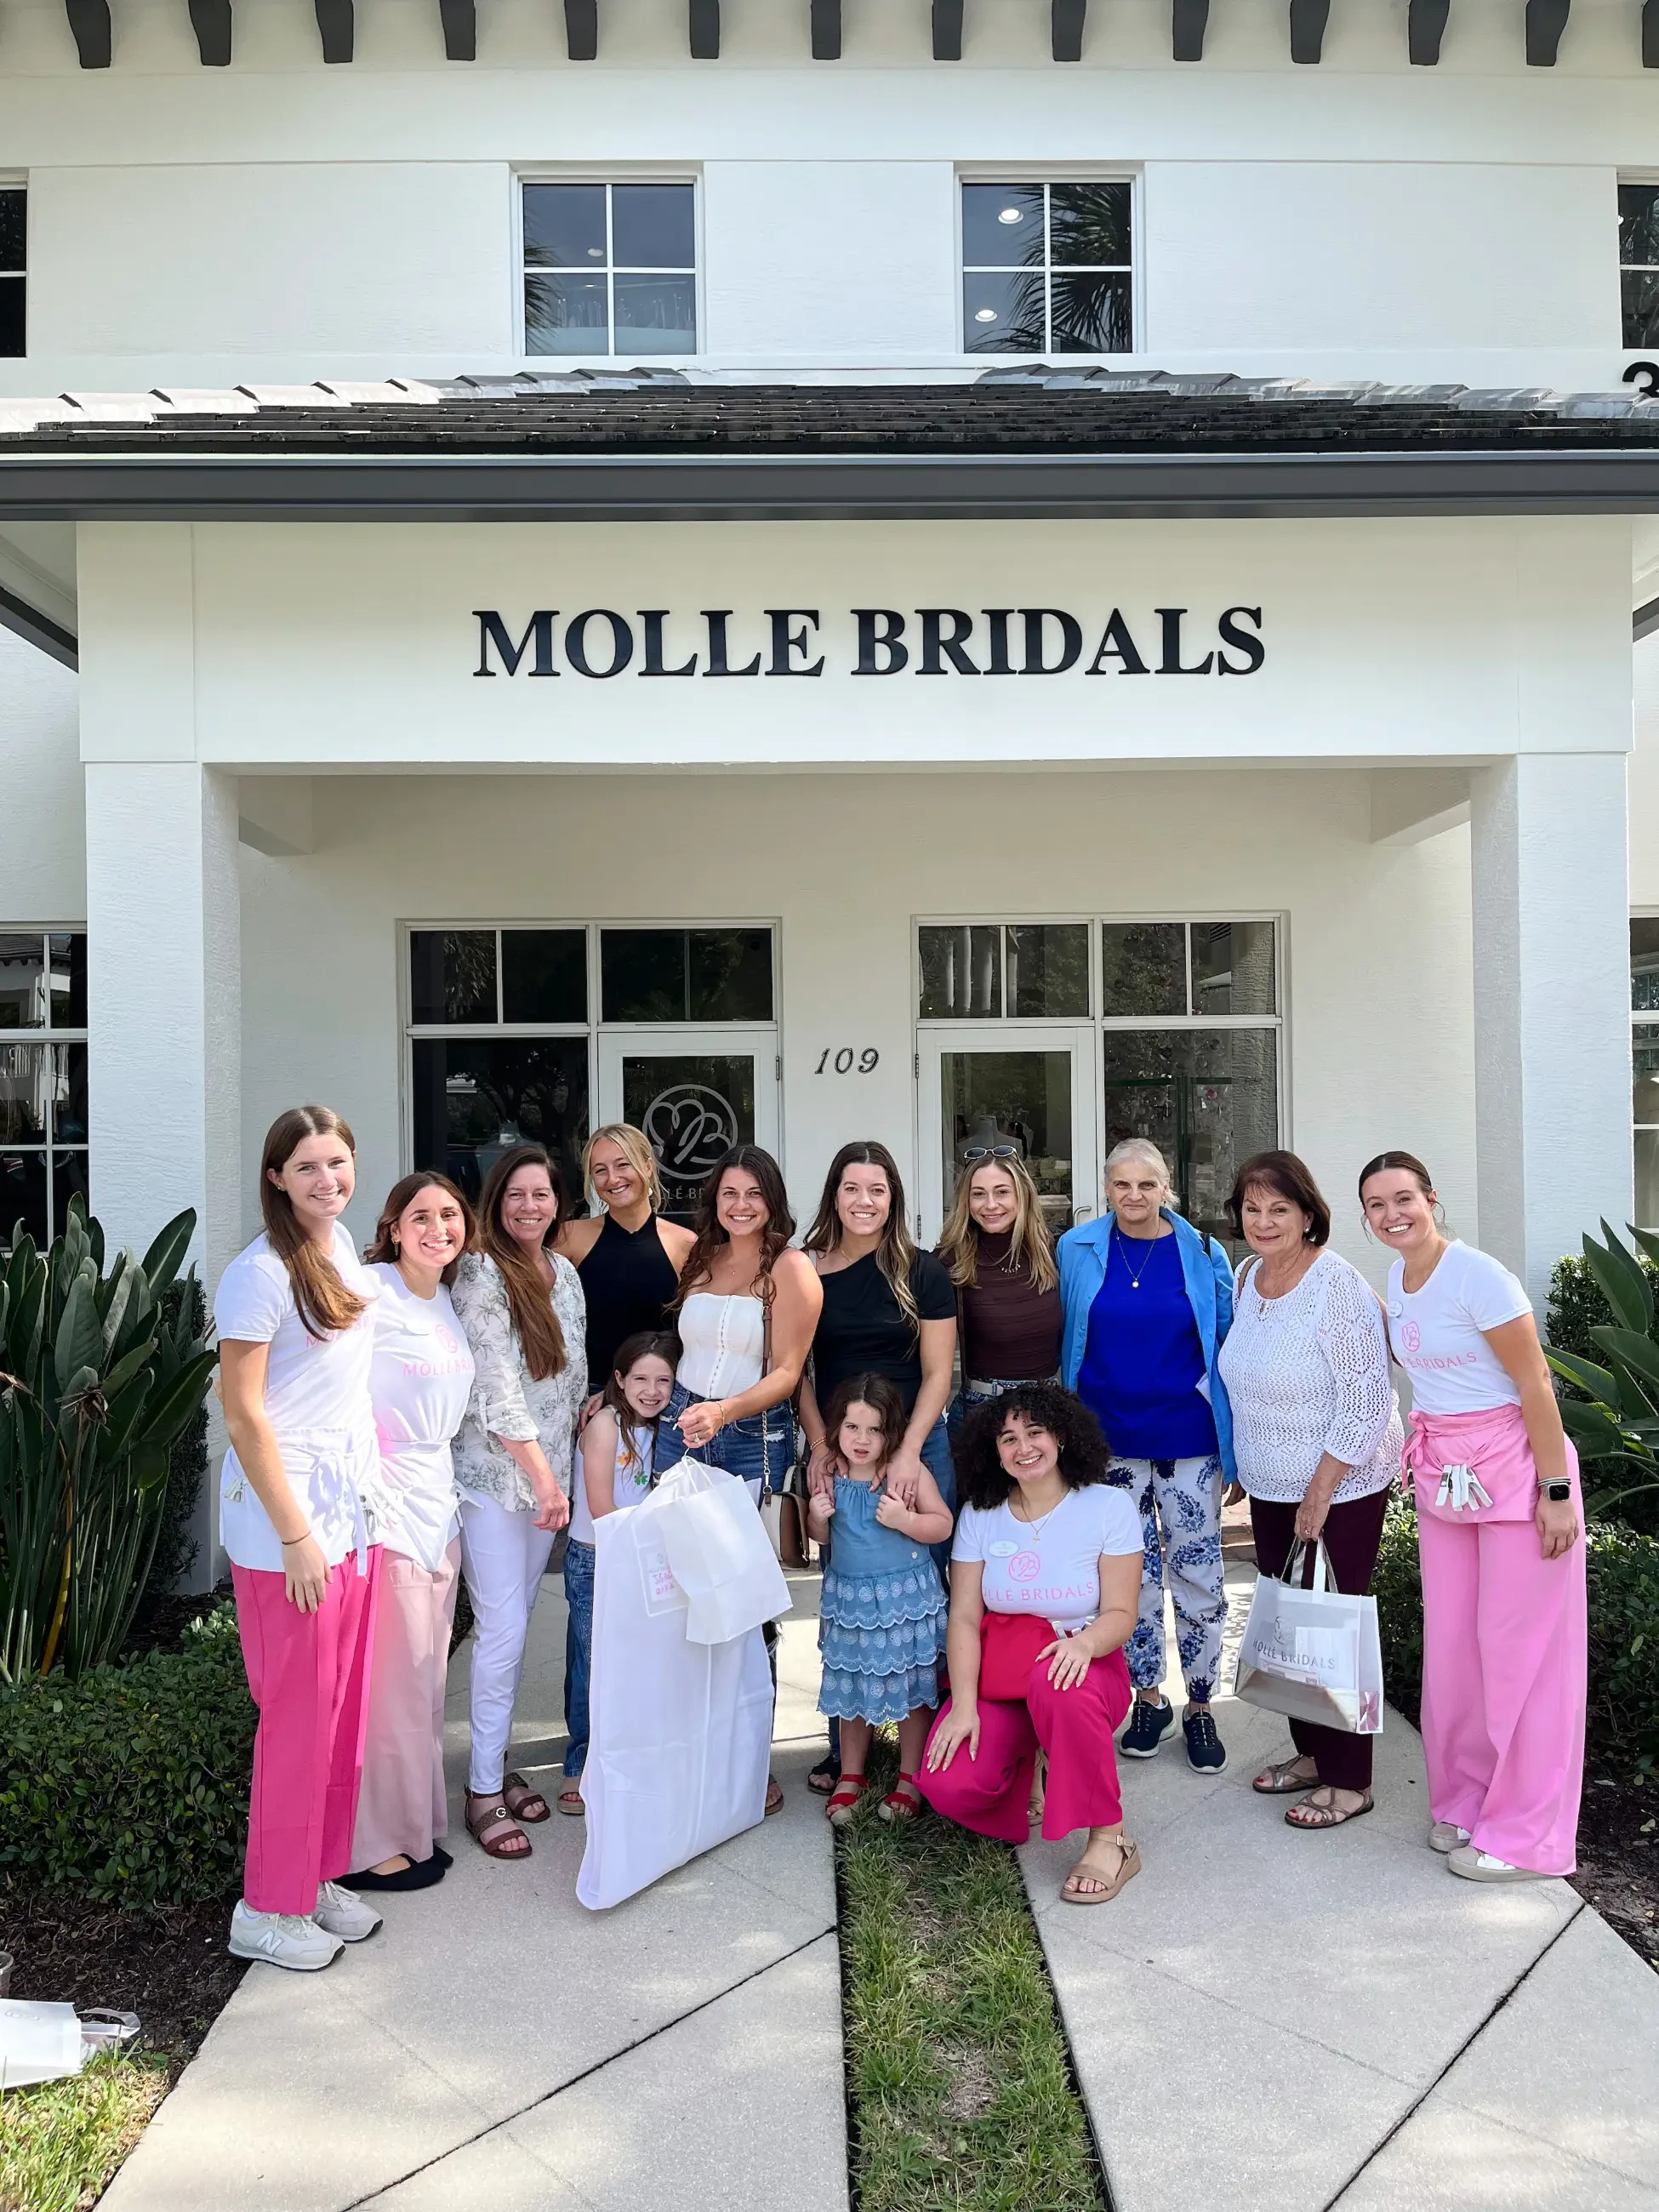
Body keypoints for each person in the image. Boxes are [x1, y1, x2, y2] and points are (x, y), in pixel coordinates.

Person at [1360, 1150, 1586, 1881]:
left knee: (1523, 1657)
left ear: (1431, 1198)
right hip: (1447, 1484)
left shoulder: (1478, 1275)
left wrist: (1556, 1492)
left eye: (1403, 1199)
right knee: (1457, 1652)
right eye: (1376, 1205)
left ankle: (1528, 1837)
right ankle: (1469, 1801)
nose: (1392, 1215)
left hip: (1521, 1478)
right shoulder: (1398, 1276)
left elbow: (1535, 1383)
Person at [216, 1105, 386, 1970]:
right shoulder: (261, 1271)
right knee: (294, 1719)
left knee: (339, 1715)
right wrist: (294, 1535)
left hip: (348, 1514)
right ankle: (265, 1904)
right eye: (308, 1165)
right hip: (289, 1525)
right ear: (276, 1175)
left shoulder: (341, 1248)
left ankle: (312, 1876)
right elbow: (243, 1413)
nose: (328, 1178)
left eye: (339, 1161)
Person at [1217, 1149, 1403, 1831]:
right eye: (1252, 1208)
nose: (1263, 1221)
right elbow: (1242, 1377)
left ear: (1307, 1215)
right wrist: (1242, 1460)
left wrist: (1320, 1492)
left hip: (1340, 1486)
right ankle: (1312, 1756)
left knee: (1333, 1628)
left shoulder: (1337, 1285)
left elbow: (1365, 1397)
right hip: (1270, 1484)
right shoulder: (1246, 1278)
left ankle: (1351, 1781)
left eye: (1279, 1209)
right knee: (1292, 1626)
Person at [918, 1383, 1144, 1903]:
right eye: (1008, 1438)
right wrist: (965, 1706)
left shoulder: (1108, 1507)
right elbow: (966, 1616)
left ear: (1061, 1436)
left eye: (1035, 1432)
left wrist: (1085, 1645)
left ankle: (1112, 1838)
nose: (1023, 1447)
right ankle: (1031, 1768)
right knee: (948, 1782)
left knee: (1057, 1684)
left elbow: (1121, 1614)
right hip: (1005, 1673)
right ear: (993, 1451)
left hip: (1083, 1668)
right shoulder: (980, 1513)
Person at [1058, 1138, 1235, 1774]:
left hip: (1188, 1440)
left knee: (1197, 1573)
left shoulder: (1204, 1252)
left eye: (1147, 1185)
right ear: (1107, 1189)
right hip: (1106, 1445)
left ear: (1167, 1190)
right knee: (1129, 1581)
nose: (1134, 1196)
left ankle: (1202, 1704)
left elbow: (1227, 1348)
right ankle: (1150, 1697)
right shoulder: (1076, 1250)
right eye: (1122, 1185)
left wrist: (1235, 1453)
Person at [799, 1140, 958, 1791]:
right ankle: (848, 1754)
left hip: (915, 1443)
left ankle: (935, 1754)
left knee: (925, 1594)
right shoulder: (805, 1270)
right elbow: (797, 1371)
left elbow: (938, 1371)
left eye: (878, 1190)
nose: (864, 1202)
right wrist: (821, 1445)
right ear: (834, 1194)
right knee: (849, 1589)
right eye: (852, 1188)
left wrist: (911, 1449)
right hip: (843, 1447)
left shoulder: (923, 1272)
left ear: (893, 1199)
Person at [343, 1173, 477, 1893]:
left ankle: (415, 1826)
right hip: (385, 1506)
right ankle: (369, 1846)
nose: (437, 1228)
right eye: (420, 1216)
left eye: (449, 1215)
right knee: (388, 1686)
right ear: (393, 1227)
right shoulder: (368, 1291)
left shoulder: (449, 1300)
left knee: (427, 1678)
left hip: (438, 1504)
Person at [450, 1143, 584, 1861]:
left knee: (517, 1623)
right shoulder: (479, 1272)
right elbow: (494, 1388)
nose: (529, 1206)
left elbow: (574, 1380)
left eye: (542, 1194)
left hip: (546, 1485)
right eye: (516, 1195)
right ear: (496, 1201)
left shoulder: (562, 1274)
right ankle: (480, 1794)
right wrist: (545, 1479)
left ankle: (496, 1763)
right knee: (502, 1631)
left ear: (557, 1201)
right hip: (499, 1484)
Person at [808, 1375, 953, 1827]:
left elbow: (943, 1525)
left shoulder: (904, 1474)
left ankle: (910, 1776)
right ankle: (852, 1774)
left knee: (912, 1690)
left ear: (892, 1433)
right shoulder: (832, 1474)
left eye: (874, 1430)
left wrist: (905, 1518)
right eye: (852, 1428)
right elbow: (821, 1539)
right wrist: (816, 1517)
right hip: (851, 1598)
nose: (862, 1440)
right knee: (851, 1686)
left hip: (904, 1598)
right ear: (836, 1429)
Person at [657, 1144, 824, 1497]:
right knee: (674, 1545)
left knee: (746, 1549)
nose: (741, 1205)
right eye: (729, 1193)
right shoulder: (700, 1259)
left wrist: (722, 1412)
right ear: (715, 1200)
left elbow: (787, 1374)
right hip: (681, 1421)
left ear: (772, 1201)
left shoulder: (791, 1268)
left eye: (754, 1194)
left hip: (752, 1433)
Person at [560, 1330, 680, 1810]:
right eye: (641, 1379)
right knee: (595, 1663)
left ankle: (628, 1754)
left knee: (635, 1662)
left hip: (644, 1557)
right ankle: (580, 1762)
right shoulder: (606, 1425)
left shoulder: (667, 1428)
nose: (652, 1390)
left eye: (664, 1381)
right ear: (618, 1379)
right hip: (600, 1558)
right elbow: (603, 1507)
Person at [556, 1124, 695, 1396]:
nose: (612, 1178)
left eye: (622, 1165)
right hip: (591, 1397)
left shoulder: (685, 1244)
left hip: (662, 1399)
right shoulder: (570, 1237)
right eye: (600, 1170)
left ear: (648, 1166)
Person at [936, 1149, 1063, 1422]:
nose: (990, 1204)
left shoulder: (1051, 1250)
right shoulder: (951, 1259)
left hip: (1047, 1407)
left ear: (1021, 1195)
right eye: (978, 1194)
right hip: (984, 1408)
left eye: (1002, 1192)